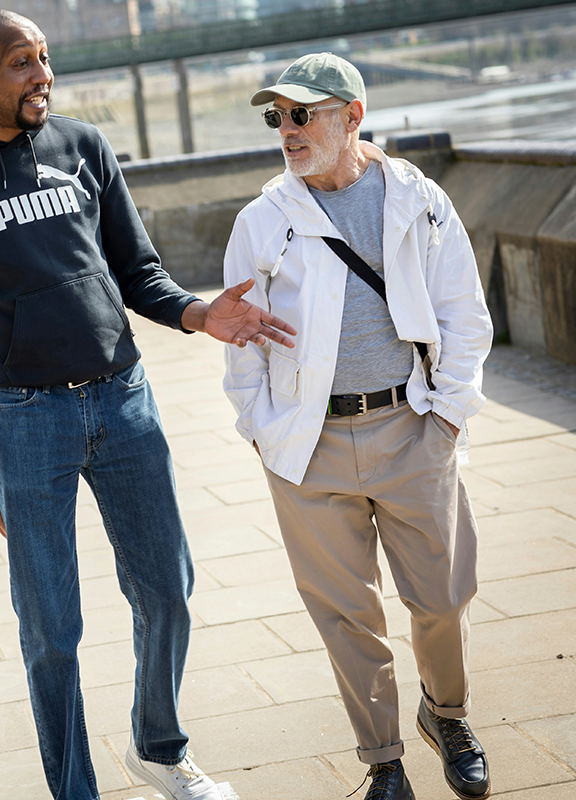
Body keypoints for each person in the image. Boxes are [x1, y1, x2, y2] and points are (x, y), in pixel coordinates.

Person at [0, 10, 295, 800]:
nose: (41, 74)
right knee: (51, 632)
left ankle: (160, 746)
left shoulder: (84, 147)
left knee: (167, 588)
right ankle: (73, 788)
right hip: (23, 418)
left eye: (44, 58)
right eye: (20, 63)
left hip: (124, 402)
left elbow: (138, 272)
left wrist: (201, 314)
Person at [222, 54, 493, 800]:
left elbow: (463, 314)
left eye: (302, 113)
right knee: (347, 617)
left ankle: (448, 713)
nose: (287, 129)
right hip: (307, 452)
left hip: (412, 427)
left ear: (353, 116)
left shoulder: (419, 198)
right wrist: (263, 432)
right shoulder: (262, 220)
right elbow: (240, 343)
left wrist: (445, 418)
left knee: (441, 597)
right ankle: (384, 761)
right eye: (276, 116)